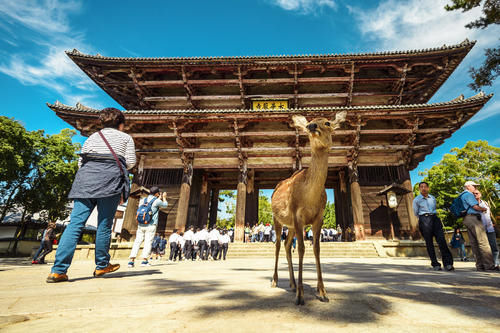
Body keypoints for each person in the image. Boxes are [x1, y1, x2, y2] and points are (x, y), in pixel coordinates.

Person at [47, 108, 136, 283]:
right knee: (104, 225)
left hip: (86, 181)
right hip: (110, 182)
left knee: (75, 224)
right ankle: (102, 265)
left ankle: (58, 270)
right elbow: (130, 162)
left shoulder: (92, 138)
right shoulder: (126, 138)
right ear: (120, 124)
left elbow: (81, 161)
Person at [413, 182, 454, 271]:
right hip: (424, 219)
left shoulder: (433, 198)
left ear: (428, 188)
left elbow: (434, 208)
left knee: (441, 240)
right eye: (421, 187)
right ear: (419, 189)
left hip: (435, 218)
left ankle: (448, 263)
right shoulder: (416, 200)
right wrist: (424, 218)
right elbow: (416, 213)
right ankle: (435, 263)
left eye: (425, 187)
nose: (423, 188)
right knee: (429, 242)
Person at [128, 187, 168, 267]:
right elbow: (165, 205)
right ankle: (144, 261)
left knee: (137, 241)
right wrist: (164, 197)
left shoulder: (143, 200)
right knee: (148, 242)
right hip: (151, 224)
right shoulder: (157, 201)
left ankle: (131, 261)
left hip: (141, 224)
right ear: (157, 193)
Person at [472, 188, 499, 268]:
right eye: (474, 194)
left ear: (480, 194)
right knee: (482, 248)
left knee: (494, 247)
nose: (476, 195)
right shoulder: (472, 205)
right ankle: (484, 264)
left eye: (477, 193)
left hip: (490, 228)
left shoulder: (486, 203)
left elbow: (488, 215)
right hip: (480, 230)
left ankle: (495, 264)